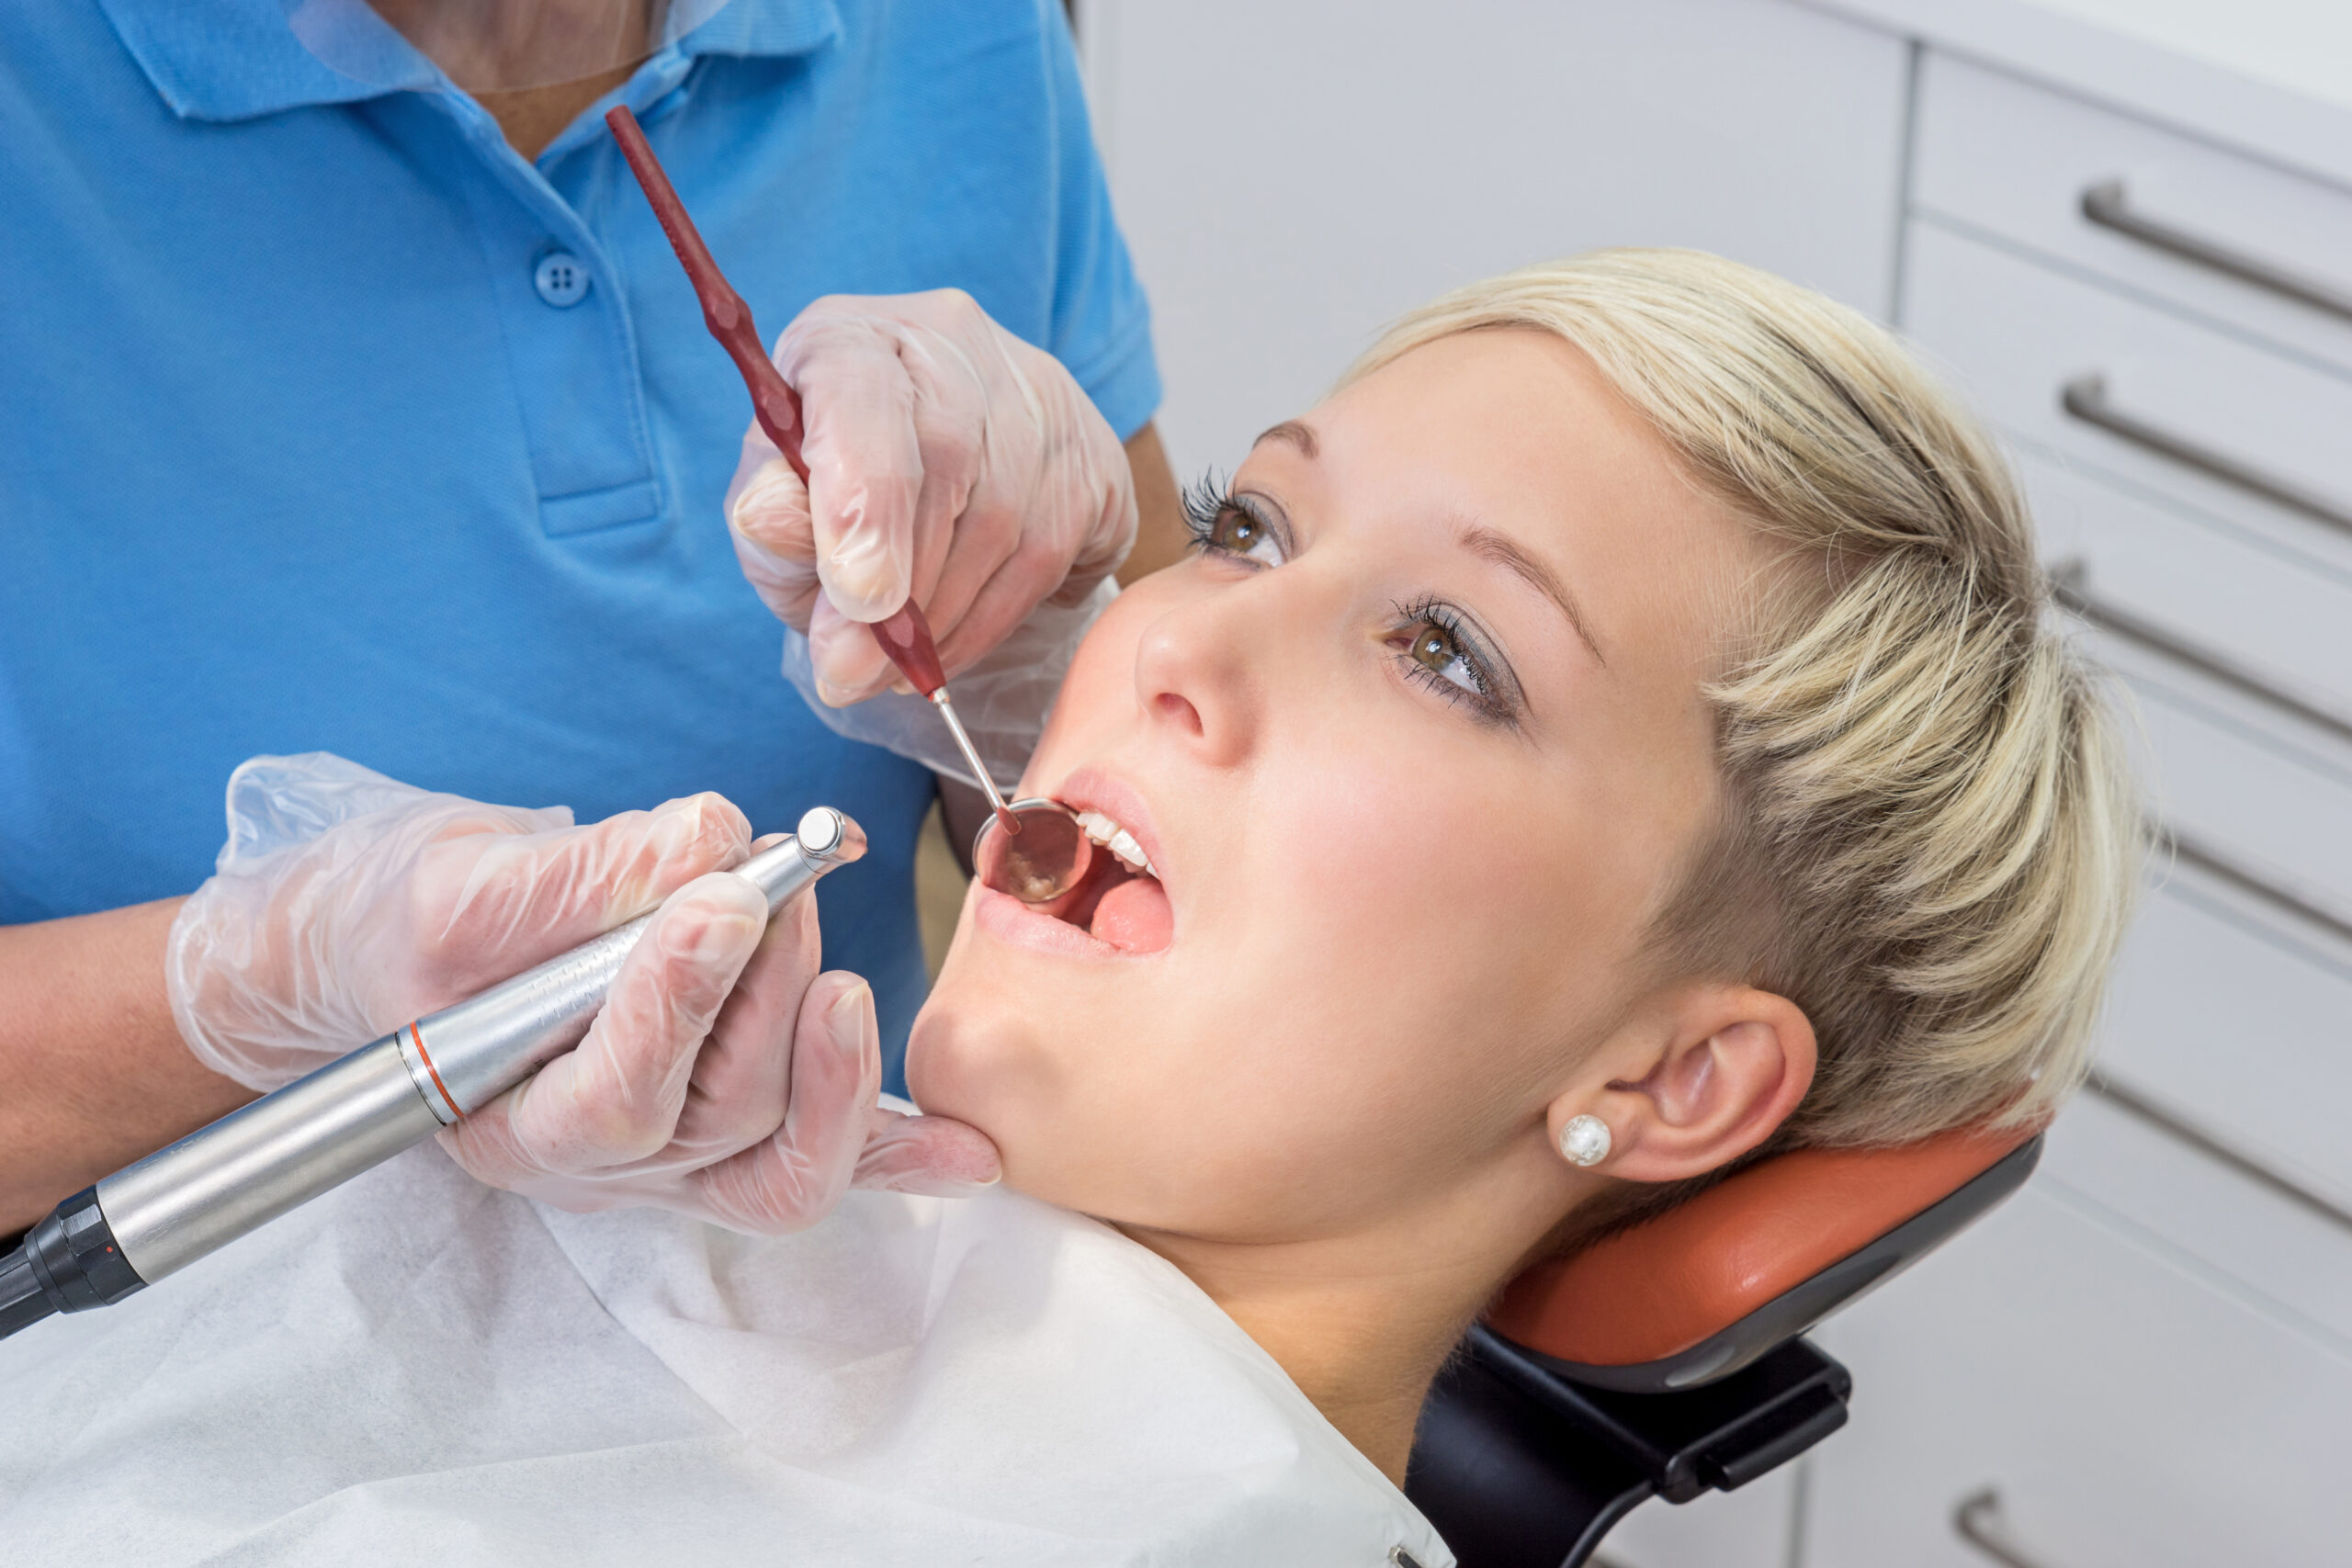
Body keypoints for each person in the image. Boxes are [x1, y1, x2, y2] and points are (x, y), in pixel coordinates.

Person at [0, 252, 2141, 1563]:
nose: (1156, 642)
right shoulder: (707, 1221)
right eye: (1242, 520)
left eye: (1444, 652)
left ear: (1666, 1074)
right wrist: (249, 990)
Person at [0, 0, 1189, 1232]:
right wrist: (260, 986)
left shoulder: (948, 36)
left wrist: (1034, 637)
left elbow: (1161, 856)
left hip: (832, 1315)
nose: (1211, 664)